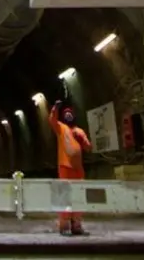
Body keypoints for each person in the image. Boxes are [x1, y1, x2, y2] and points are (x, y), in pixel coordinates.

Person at [48, 99, 92, 236]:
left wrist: (82, 140)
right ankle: (64, 225)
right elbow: (51, 120)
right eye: (65, 113)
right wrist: (55, 108)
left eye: (70, 113)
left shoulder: (79, 131)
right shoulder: (61, 128)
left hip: (78, 169)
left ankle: (76, 225)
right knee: (64, 196)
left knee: (78, 196)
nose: (68, 115)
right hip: (65, 167)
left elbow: (88, 147)